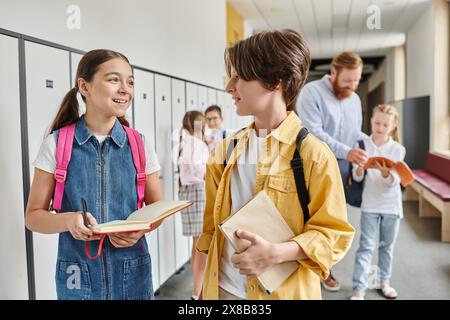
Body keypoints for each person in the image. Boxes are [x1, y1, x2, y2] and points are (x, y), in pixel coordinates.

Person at [197, 29, 355, 300]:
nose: (229, 87)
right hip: (223, 289)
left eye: (240, 76)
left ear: (275, 81)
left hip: (281, 293)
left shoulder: (313, 155)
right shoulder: (226, 151)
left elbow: (334, 235)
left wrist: (278, 253)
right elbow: (210, 232)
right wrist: (198, 292)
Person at [25, 49, 163, 300]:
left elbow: (157, 209)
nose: (125, 89)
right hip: (77, 275)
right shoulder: (57, 144)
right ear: (84, 86)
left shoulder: (140, 145)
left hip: (133, 272)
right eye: (113, 80)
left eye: (130, 81)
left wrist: (141, 230)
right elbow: (33, 217)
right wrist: (67, 220)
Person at [296, 51, 368, 291]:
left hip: (343, 168)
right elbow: (313, 133)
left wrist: (375, 146)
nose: (352, 86)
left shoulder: (354, 99)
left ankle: (322, 266)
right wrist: (346, 151)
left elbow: (355, 133)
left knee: (335, 220)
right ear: (334, 72)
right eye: (348, 80)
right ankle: (318, 271)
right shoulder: (311, 92)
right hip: (315, 166)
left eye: (357, 80)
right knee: (312, 218)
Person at [350, 104, 405, 300]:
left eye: (385, 124)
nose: (380, 127)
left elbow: (395, 183)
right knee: (366, 246)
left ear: (392, 126)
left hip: (391, 206)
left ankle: (383, 283)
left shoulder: (398, 149)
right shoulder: (362, 145)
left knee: (386, 246)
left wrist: (386, 174)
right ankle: (359, 289)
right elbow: (357, 179)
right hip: (370, 204)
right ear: (371, 121)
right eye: (377, 122)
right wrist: (358, 170)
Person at [178, 110, 209, 300]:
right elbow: (198, 167)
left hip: (188, 190)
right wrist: (211, 176)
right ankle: (198, 291)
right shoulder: (196, 143)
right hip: (197, 190)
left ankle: (197, 290)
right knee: (201, 245)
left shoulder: (186, 142)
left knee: (196, 244)